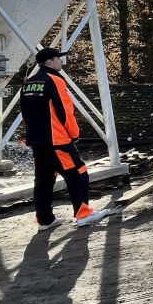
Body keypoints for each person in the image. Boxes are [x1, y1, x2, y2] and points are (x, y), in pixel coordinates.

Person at [22, 46, 108, 229]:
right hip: (57, 140)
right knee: (78, 173)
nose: (61, 61)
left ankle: (45, 220)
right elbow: (66, 110)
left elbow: (25, 113)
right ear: (49, 62)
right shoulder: (55, 80)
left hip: (36, 141)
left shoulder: (28, 83)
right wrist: (74, 134)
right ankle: (83, 214)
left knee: (43, 180)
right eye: (58, 59)